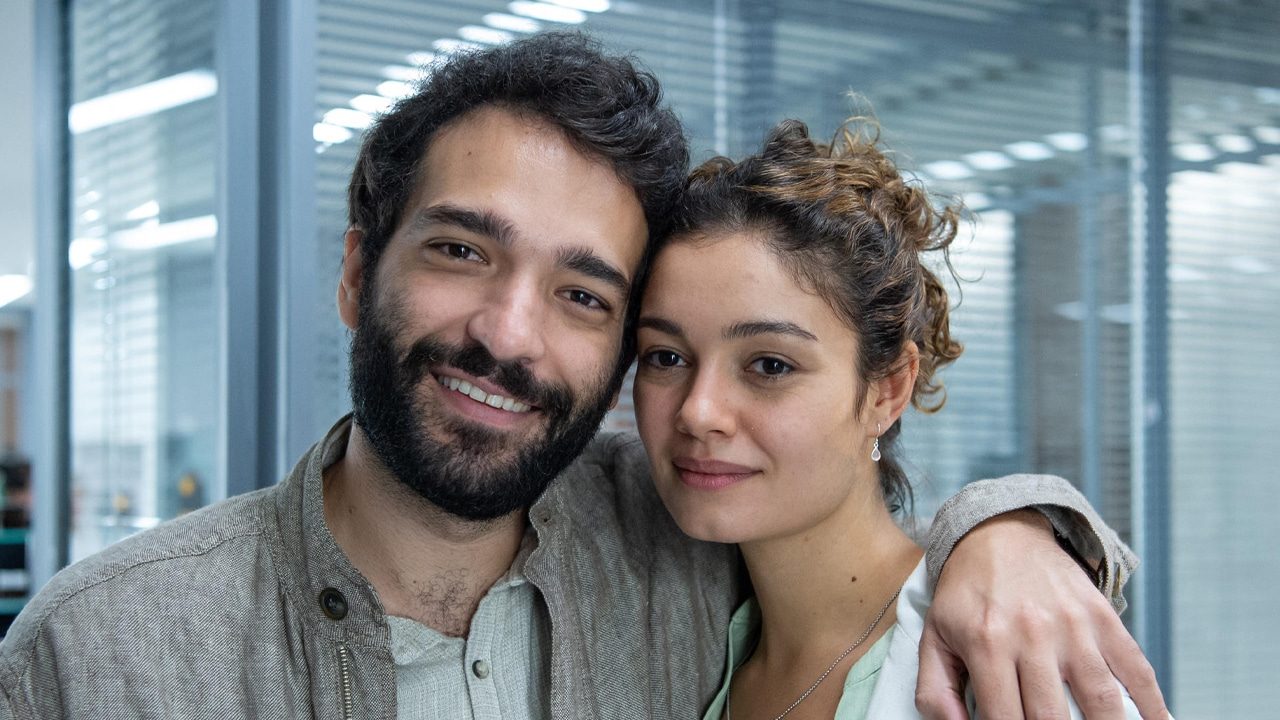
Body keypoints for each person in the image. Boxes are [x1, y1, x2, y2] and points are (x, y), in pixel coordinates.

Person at [0, 33, 1164, 719]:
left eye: (581, 295)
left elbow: (859, 547)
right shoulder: (104, 653)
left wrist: (1004, 530)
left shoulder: (675, 544)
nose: (508, 336)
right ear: (359, 271)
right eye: (461, 250)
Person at [632, 118, 1155, 719]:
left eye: (770, 365)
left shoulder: (1003, 658)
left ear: (887, 389)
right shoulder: (710, 648)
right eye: (666, 357)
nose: (698, 413)